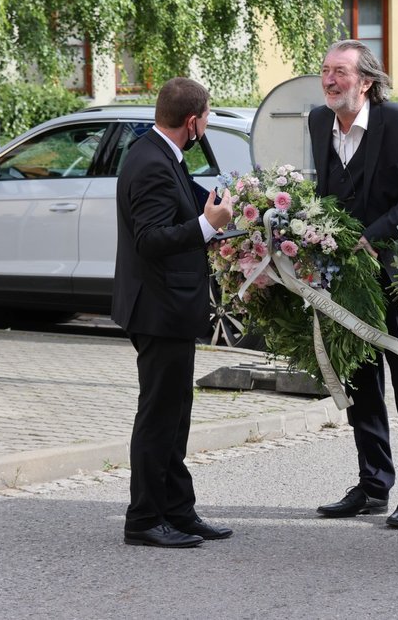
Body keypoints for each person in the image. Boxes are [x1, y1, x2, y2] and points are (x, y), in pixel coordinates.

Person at [308, 40, 398, 528]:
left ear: (366, 81)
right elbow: (326, 190)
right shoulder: (318, 121)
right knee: (359, 379)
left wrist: (376, 234)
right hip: (343, 279)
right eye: (325, 71)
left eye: (340, 72)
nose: (329, 80)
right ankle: (373, 485)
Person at [112, 77, 236, 548]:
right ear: (193, 121)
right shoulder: (150, 163)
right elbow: (151, 238)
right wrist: (208, 224)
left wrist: (223, 212)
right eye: (207, 116)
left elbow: (186, 205)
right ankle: (143, 519)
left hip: (171, 306)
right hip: (158, 309)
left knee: (175, 414)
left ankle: (178, 511)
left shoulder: (164, 154)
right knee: (159, 417)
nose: (207, 124)